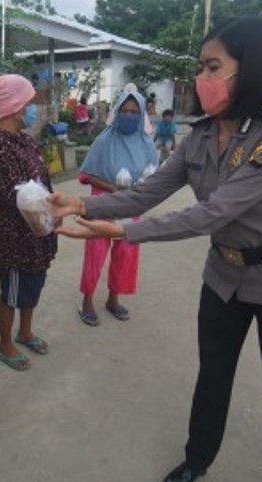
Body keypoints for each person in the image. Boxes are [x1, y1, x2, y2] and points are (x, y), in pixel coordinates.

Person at [50, 17, 262, 482]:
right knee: (212, 375)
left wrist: (125, 233)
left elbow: (212, 212)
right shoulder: (198, 136)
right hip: (223, 278)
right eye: (201, 66)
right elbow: (147, 192)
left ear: (251, 69)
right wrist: (83, 204)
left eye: (213, 66)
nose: (202, 78)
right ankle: (197, 459)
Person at [0, 74, 58, 371]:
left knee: (34, 285)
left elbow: (40, 183)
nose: (33, 109)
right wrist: (53, 210)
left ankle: (25, 332)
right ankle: (5, 344)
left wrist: (51, 212)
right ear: (15, 106)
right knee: (12, 292)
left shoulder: (24, 140)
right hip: (17, 237)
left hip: (39, 232)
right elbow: (22, 198)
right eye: (30, 103)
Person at [76, 89, 158, 326]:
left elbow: (154, 178)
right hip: (103, 202)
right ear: (117, 112)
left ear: (141, 114)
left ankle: (114, 298)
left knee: (126, 254)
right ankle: (87, 300)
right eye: (124, 111)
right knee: (96, 252)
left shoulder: (147, 144)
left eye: (134, 112)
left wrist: (140, 189)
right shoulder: (105, 139)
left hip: (132, 206)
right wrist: (112, 189)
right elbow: (85, 175)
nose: (129, 116)